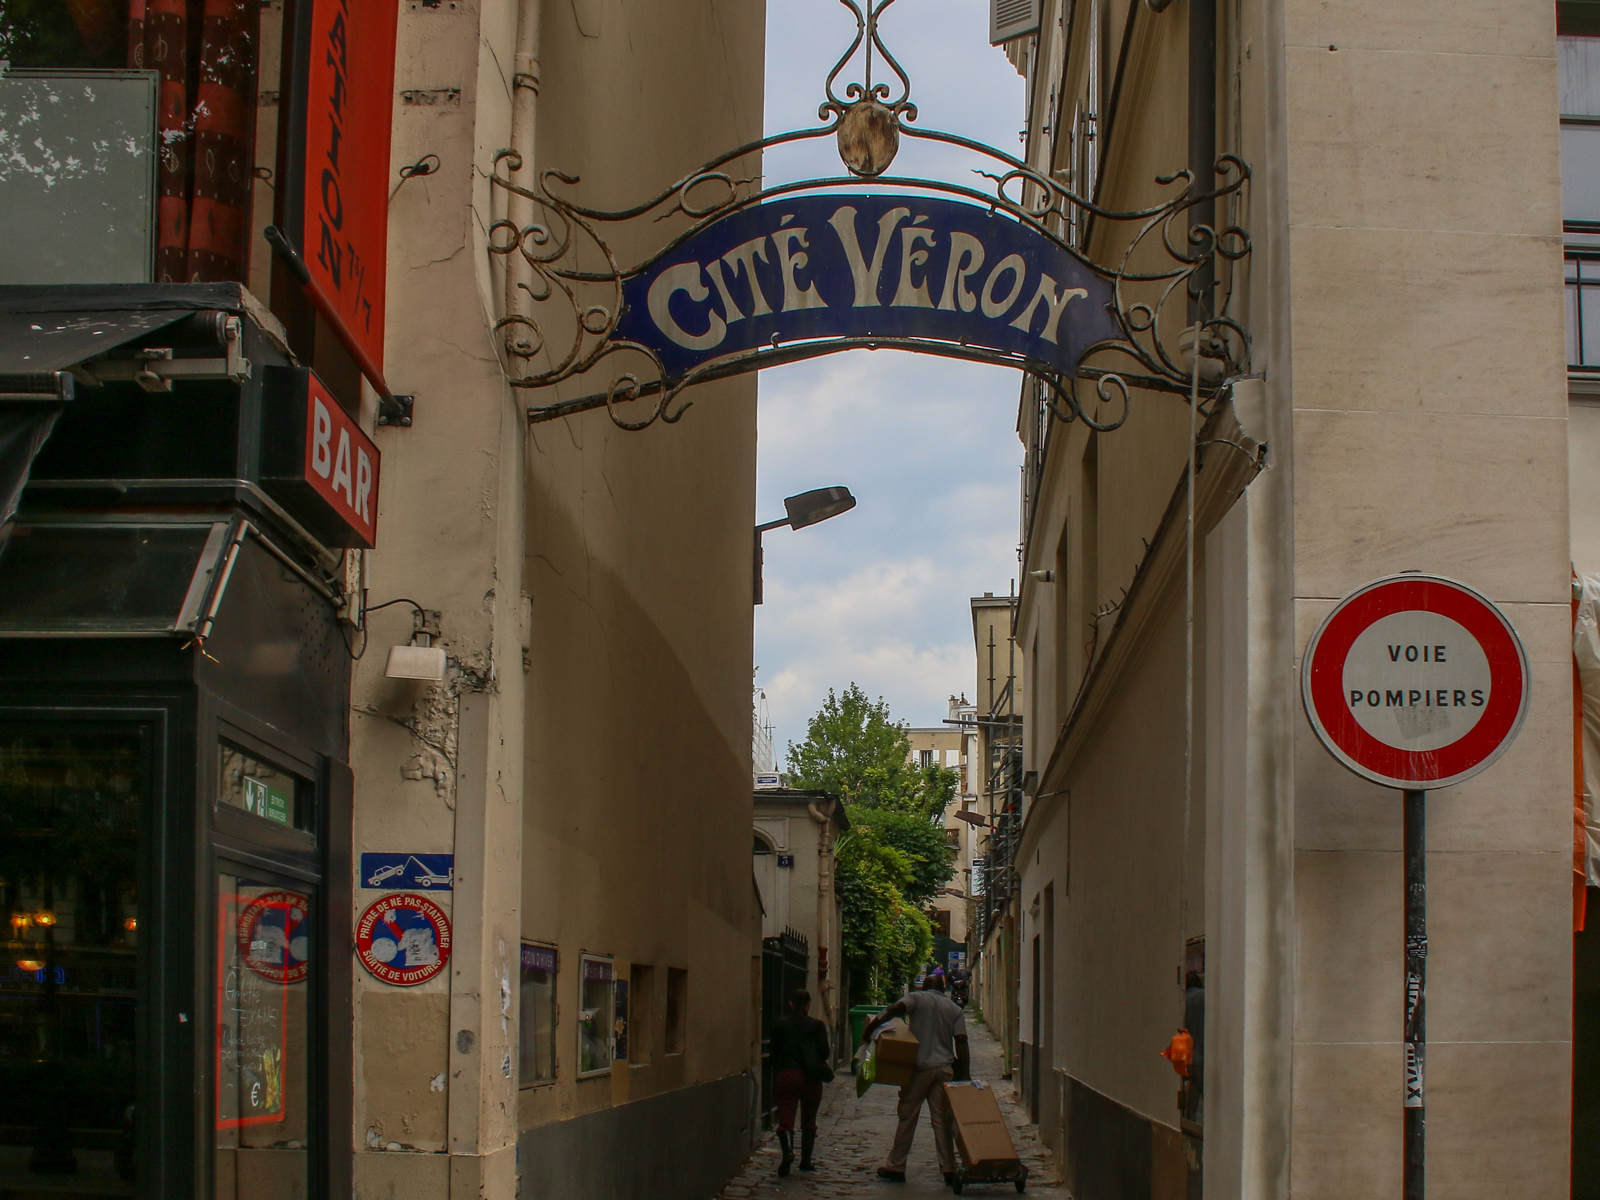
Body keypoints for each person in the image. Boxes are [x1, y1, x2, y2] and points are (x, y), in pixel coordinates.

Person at [862, 973, 970, 1184]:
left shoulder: (917, 998)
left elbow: (894, 1009)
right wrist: (965, 1073)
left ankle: (896, 1165)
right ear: (943, 989)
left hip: (919, 1068)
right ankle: (949, 1168)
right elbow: (961, 1040)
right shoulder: (954, 1009)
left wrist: (873, 1026)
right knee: (942, 1120)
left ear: (923, 987)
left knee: (907, 1115)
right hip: (944, 1068)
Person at [768, 989, 832, 1176]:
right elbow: (825, 1052)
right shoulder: (817, 1026)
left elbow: (773, 1053)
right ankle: (805, 1161)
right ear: (809, 1005)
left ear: (791, 1004)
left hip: (788, 1075)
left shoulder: (781, 1025)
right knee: (809, 1120)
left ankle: (788, 1152)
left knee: (786, 1118)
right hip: (811, 1077)